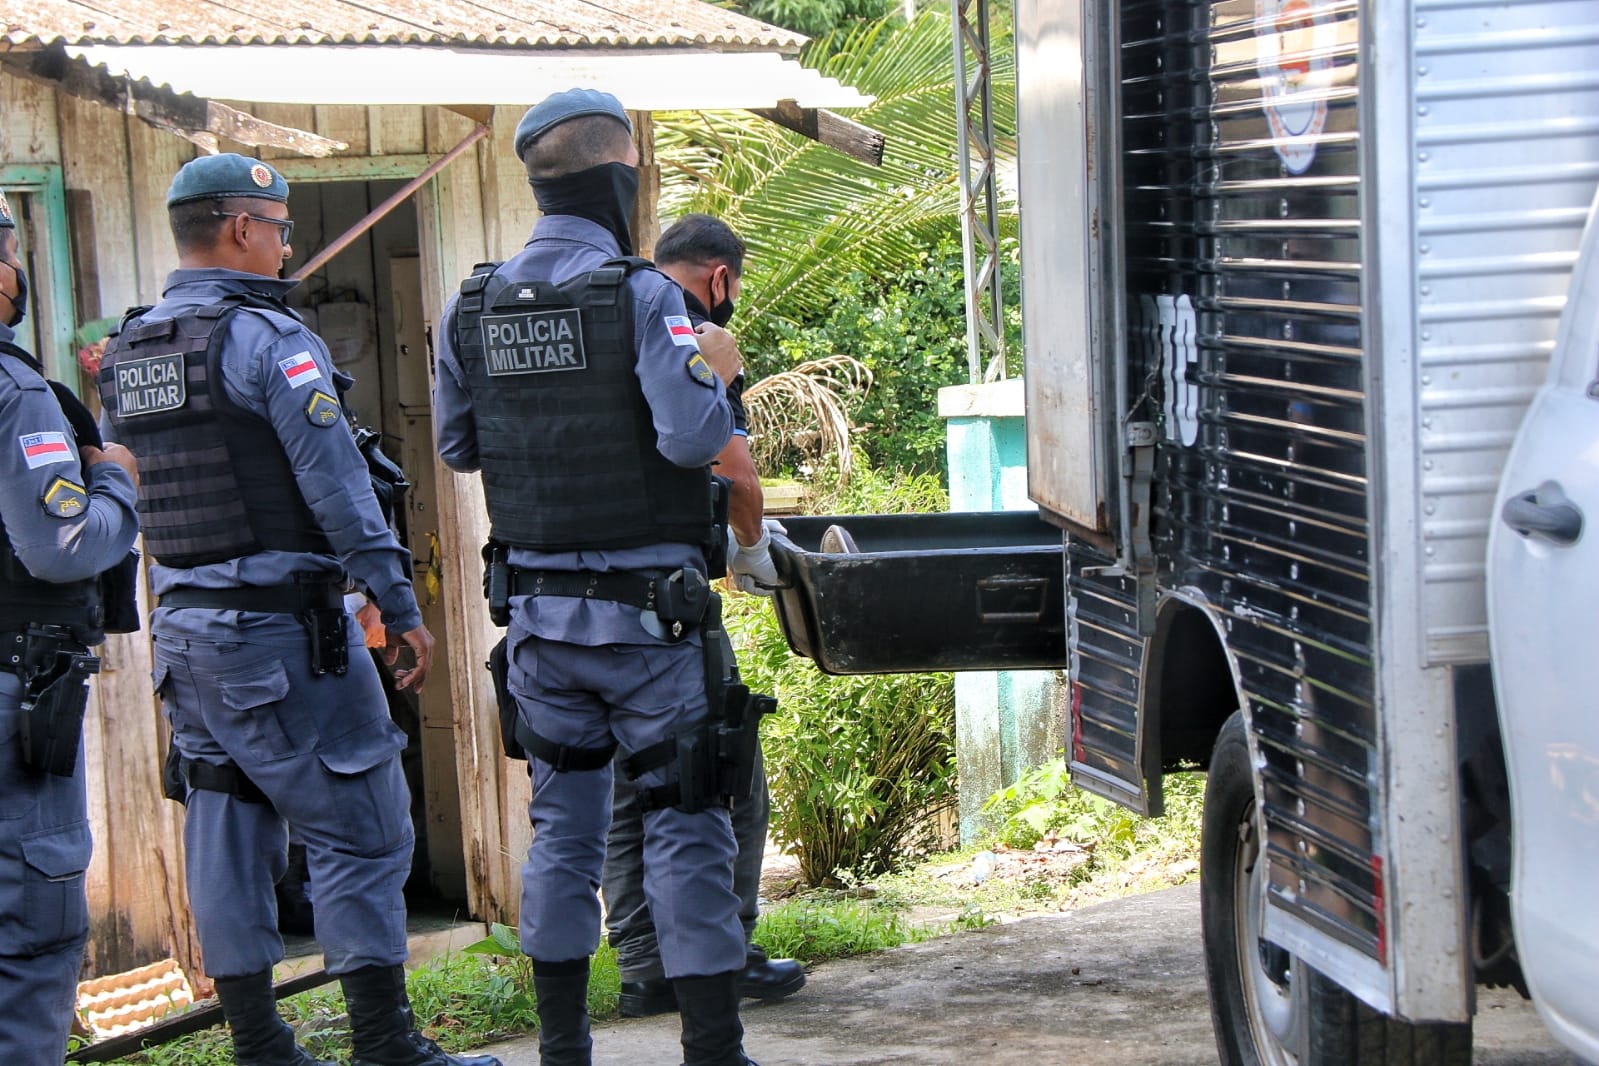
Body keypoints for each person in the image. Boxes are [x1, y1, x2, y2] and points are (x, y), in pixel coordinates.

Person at [96, 154, 498, 1066]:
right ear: (241, 227)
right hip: (281, 632)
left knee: (227, 829)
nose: (284, 247)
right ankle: (386, 1046)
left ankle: (261, 1047)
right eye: (278, 229)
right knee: (365, 827)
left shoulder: (131, 349)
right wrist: (397, 601)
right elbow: (337, 485)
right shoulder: (266, 339)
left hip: (186, 637)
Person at [433, 90, 757, 1066]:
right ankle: (713, 1050)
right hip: (650, 631)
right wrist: (715, 369)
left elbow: (457, 445)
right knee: (687, 825)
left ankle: (564, 1050)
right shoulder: (646, 299)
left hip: (540, 629)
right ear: (623, 179)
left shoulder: (471, 304)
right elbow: (692, 440)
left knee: (564, 836)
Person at [601, 214, 803, 1018]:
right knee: (722, 771)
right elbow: (737, 477)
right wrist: (751, 548)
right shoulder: (698, 337)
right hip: (666, 604)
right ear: (720, 278)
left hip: (570, 603)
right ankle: (724, 958)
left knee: (624, 788)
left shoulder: (601, 322)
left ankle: (643, 968)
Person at [0, 190, 141, 1065]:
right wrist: (117, 479)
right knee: (31, 929)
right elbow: (62, 548)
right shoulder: (16, 393)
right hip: (16, 692)